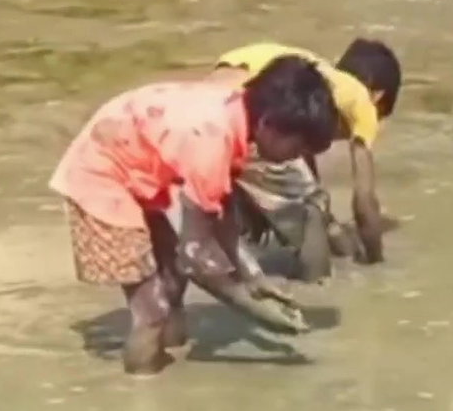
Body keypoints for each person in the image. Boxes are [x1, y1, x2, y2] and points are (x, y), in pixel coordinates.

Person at [49, 55, 339, 376]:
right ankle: (141, 399)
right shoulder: (211, 138)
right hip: (102, 178)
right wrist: (254, 310)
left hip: (141, 170)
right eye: (296, 149)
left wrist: (254, 276)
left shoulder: (237, 112)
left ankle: (172, 369)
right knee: (152, 311)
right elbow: (196, 256)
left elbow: (219, 207)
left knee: (172, 284)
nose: (295, 159)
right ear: (269, 125)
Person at [210, 38, 402, 280]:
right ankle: (314, 291)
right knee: (309, 213)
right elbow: (364, 201)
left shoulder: (317, 80)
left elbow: (302, 163)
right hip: (255, 110)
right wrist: (376, 264)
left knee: (236, 207)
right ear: (378, 96)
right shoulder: (362, 100)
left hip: (221, 94)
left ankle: (233, 270)